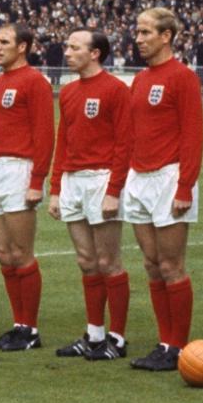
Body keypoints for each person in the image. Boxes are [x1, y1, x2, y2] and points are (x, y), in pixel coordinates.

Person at [122, 9, 203, 373]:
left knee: (171, 265)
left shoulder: (183, 77)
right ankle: (164, 341)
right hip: (139, 177)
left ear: (166, 35)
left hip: (169, 177)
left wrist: (185, 186)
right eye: (137, 32)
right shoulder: (140, 80)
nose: (138, 39)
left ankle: (179, 346)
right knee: (152, 265)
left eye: (145, 32)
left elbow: (193, 134)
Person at [48, 28, 132, 361]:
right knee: (86, 261)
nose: (67, 52)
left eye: (74, 47)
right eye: (67, 46)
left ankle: (118, 338)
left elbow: (125, 143)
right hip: (73, 180)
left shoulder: (115, 90)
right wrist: (56, 189)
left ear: (95, 53)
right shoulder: (68, 92)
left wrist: (114, 190)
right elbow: (64, 140)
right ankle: (94, 335)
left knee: (108, 261)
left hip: (101, 179)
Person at [0, 22, 54, 352]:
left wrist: (37, 181)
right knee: (3, 253)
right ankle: (18, 324)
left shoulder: (35, 81)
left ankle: (30, 328)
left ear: (22, 46)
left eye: (4, 42)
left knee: (21, 253)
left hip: (19, 169)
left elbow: (44, 134)